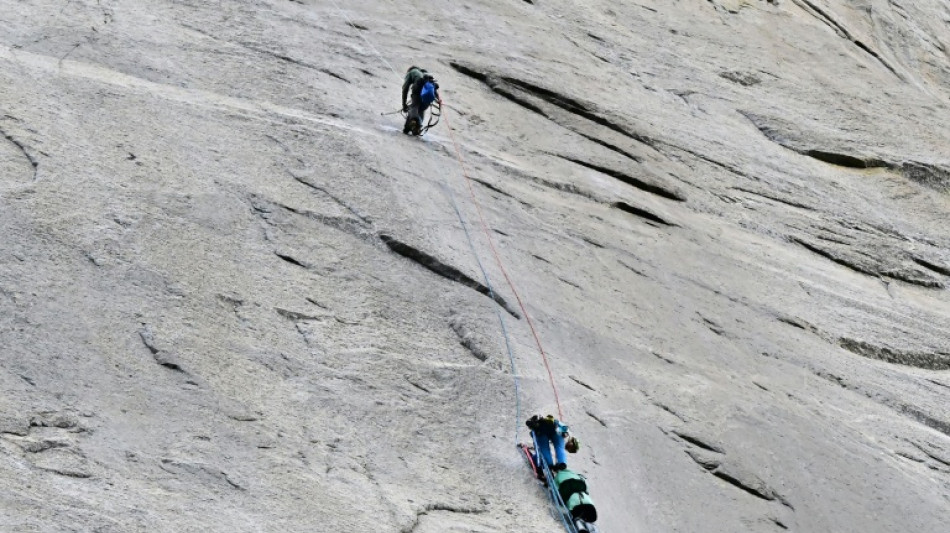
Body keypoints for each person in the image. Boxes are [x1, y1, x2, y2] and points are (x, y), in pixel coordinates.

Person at [401, 66, 440, 135]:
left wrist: (404, 104)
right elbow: (434, 90)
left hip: (418, 88)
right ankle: (414, 127)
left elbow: (405, 88)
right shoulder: (427, 78)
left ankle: (413, 121)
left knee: (414, 106)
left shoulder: (412, 72)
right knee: (421, 110)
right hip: (429, 94)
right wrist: (439, 99)